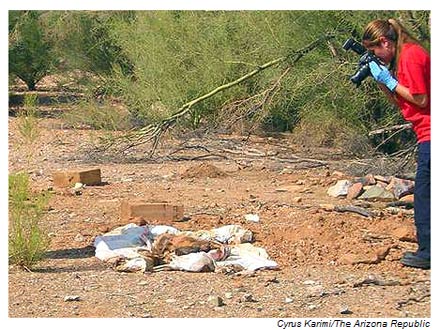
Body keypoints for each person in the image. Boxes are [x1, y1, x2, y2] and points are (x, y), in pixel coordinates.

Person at [362, 18, 430, 269]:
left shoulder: (411, 56)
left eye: (374, 50)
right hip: (426, 133)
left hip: (432, 133)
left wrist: (391, 81)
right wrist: (383, 82)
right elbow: (403, 103)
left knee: (424, 195)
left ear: (385, 42)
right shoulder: (404, 57)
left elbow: (421, 99)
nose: (376, 56)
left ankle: (429, 252)